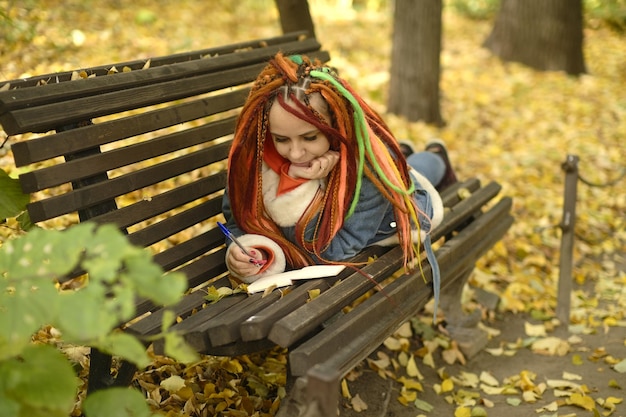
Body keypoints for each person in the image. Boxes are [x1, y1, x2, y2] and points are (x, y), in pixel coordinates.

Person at [222, 53, 457, 314]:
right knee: (404, 162)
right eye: (281, 140)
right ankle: (405, 153)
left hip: (400, 206)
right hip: (377, 184)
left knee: (420, 170)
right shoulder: (252, 163)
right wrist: (246, 249)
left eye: (310, 137)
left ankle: (436, 155)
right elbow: (237, 220)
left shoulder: (366, 171)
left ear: (336, 126)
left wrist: (305, 180)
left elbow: (333, 251)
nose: (295, 153)